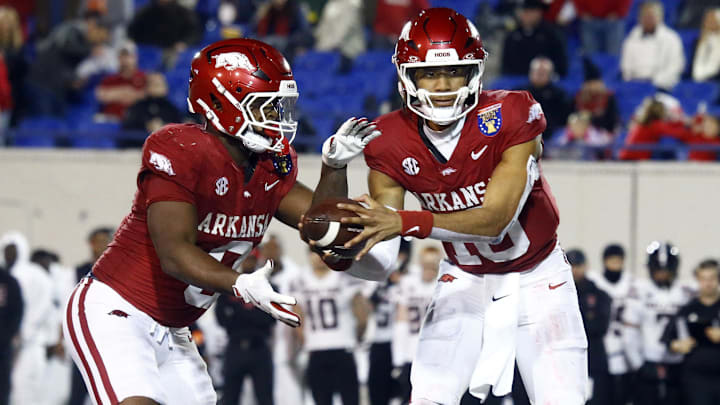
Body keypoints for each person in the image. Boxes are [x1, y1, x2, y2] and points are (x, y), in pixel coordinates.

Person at [61, 38, 382, 405]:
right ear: (221, 103)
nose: (277, 117)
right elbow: (175, 253)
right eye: (265, 106)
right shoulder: (179, 147)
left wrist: (335, 167)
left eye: (279, 105)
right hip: (116, 309)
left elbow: (324, 226)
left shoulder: (271, 164)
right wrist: (241, 284)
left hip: (175, 329)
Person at [333, 8, 588, 405]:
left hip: (540, 278)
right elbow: (383, 260)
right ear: (407, 77)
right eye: (429, 73)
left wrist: (402, 221)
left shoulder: (510, 113)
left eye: (454, 71)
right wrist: (343, 252)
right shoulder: (387, 141)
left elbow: (494, 222)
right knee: (429, 398)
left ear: (475, 72)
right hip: (464, 280)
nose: (442, 85)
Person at [292, 250, 371, 405]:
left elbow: (297, 320)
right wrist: (357, 337)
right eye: (316, 252)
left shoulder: (343, 276)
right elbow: (362, 317)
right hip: (335, 349)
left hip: (325, 349)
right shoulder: (300, 279)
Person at [622, 241, 694, 405]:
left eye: (666, 270)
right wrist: (638, 365)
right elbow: (629, 333)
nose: (662, 274)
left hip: (679, 364)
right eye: (659, 270)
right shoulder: (639, 290)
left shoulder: (686, 291)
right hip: (649, 363)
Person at [0, 231, 54, 405]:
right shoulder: (9, 275)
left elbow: (42, 304)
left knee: (25, 393)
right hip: (15, 344)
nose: (9, 254)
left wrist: (25, 331)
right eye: (6, 250)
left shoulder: (30, 273)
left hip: (30, 344)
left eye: (13, 250)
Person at [215, 251, 275, 405]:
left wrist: (237, 312)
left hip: (259, 347)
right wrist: (252, 314)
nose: (249, 263)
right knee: (230, 397)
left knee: (265, 397)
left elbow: (270, 319)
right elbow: (221, 317)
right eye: (247, 259)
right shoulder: (229, 285)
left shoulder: (268, 286)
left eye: (252, 259)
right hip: (235, 346)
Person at [663, 259, 720, 405]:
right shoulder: (687, 309)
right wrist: (678, 345)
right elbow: (667, 339)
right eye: (703, 279)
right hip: (696, 378)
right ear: (697, 280)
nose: (708, 283)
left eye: (712, 278)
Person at [585, 244, 635, 405]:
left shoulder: (631, 282)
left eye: (618, 260)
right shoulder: (594, 281)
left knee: (622, 394)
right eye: (611, 260)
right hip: (600, 345)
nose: (615, 264)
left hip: (624, 343)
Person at [392, 246, 441, 404]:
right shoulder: (408, 283)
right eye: (426, 263)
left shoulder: (444, 285)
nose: (429, 267)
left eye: (433, 263)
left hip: (437, 355)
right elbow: (401, 321)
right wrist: (398, 358)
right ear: (420, 263)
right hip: (411, 354)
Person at [566, 249, 612, 405]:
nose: (575, 270)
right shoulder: (558, 294)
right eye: (571, 265)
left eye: (578, 265)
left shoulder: (599, 295)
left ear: (585, 266)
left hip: (593, 357)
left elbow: (600, 326)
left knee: (594, 400)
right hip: (565, 359)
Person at [620, 1, 685, 90]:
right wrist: (631, 82)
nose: (647, 19)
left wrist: (655, 82)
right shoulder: (631, 38)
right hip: (635, 86)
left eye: (651, 16)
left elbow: (675, 66)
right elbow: (626, 67)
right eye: (644, 16)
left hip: (662, 87)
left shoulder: (672, 39)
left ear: (660, 17)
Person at [0, 262, 23, 405]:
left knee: (2, 388)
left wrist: (6, 337)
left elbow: (17, 311)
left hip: (2, 347)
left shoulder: (8, 281)